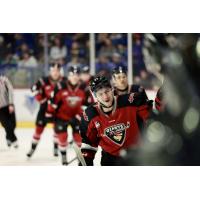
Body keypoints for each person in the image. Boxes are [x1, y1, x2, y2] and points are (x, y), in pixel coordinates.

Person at [79, 76, 153, 166]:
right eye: (100, 94)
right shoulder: (90, 115)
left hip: (135, 155)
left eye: (107, 91)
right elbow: (89, 144)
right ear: (95, 97)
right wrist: (86, 161)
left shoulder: (131, 101)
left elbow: (152, 119)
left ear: (112, 89)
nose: (105, 96)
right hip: (110, 160)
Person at [48, 65, 86, 165]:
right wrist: (51, 114)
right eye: (72, 74)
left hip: (77, 117)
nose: (74, 76)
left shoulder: (84, 87)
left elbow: (87, 106)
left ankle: (79, 157)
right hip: (62, 117)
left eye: (77, 74)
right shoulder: (60, 86)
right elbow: (52, 103)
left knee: (78, 137)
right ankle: (63, 157)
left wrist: (78, 117)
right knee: (63, 136)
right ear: (68, 76)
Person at [27, 63, 64, 158]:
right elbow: (33, 89)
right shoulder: (43, 80)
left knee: (57, 130)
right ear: (50, 71)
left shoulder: (64, 81)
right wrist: (41, 100)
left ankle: (55, 148)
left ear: (60, 71)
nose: (55, 73)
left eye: (57, 71)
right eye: (53, 71)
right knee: (38, 130)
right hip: (44, 110)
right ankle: (32, 148)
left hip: (57, 110)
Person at [0, 75, 18, 148]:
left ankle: (8, 137)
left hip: (8, 105)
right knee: (6, 124)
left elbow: (10, 90)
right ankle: (14, 140)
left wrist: (11, 103)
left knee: (13, 124)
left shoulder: (4, 80)